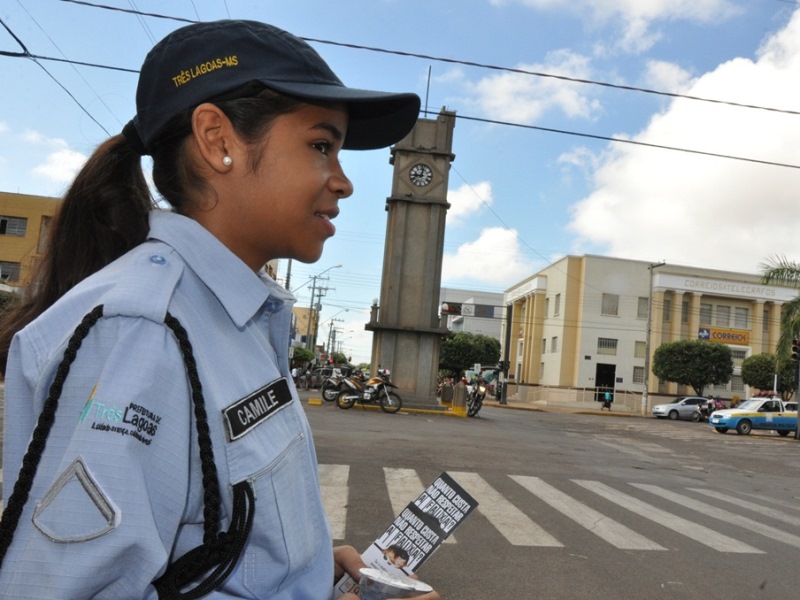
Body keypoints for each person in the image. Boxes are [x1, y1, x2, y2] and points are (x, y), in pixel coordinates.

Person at [0, 19, 439, 600]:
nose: (342, 181)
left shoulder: (238, 317)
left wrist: (297, 568)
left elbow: (215, 534)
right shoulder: (143, 331)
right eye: (320, 145)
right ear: (218, 140)